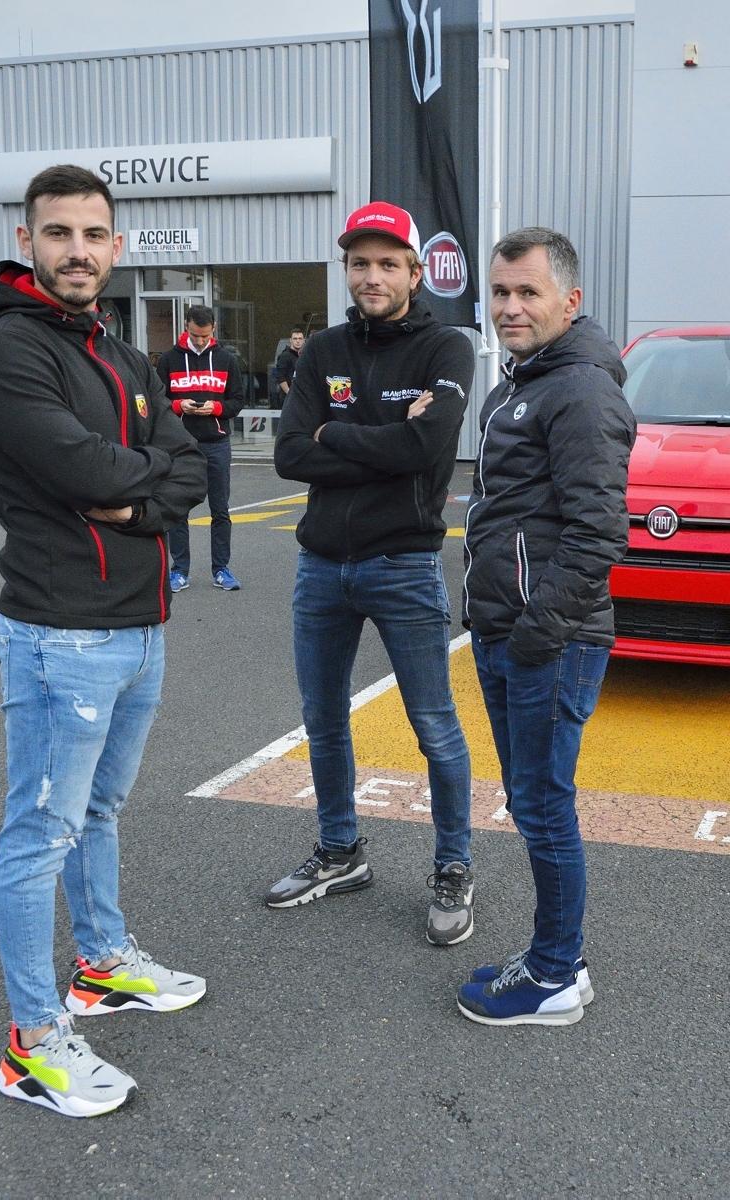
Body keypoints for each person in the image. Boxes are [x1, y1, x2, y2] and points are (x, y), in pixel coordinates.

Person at [0, 164, 209, 1117]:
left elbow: (188, 464)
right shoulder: (11, 352)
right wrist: (139, 482)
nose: (78, 250)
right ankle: (32, 1043)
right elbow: (81, 470)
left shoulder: (118, 350)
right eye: (59, 232)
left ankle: (101, 965)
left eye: (94, 234)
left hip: (139, 628)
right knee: (40, 833)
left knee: (97, 811)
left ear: (117, 245)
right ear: (27, 241)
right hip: (59, 636)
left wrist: (134, 501)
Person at [268, 201, 475, 945]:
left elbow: (428, 450)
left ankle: (453, 866)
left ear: (416, 273)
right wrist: (385, 437)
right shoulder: (323, 349)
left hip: (404, 565)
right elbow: (289, 454)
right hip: (322, 566)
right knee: (322, 719)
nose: (372, 276)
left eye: (389, 263)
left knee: (434, 727)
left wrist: (334, 432)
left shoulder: (447, 348)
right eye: (360, 263)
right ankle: (340, 852)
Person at [456, 227, 635, 1027]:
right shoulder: (521, 385)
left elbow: (599, 534)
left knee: (543, 804)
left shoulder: (581, 390)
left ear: (570, 301)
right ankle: (558, 959)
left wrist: (536, 634)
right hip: (511, 631)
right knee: (532, 801)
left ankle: (556, 975)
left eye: (528, 292)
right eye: (500, 292)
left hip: (547, 641)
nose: (510, 307)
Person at [157, 305, 244, 591]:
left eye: (205, 336)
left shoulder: (226, 359)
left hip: (216, 443)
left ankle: (221, 569)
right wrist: (177, 405)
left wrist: (216, 408)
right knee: (178, 510)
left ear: (213, 329)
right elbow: (157, 400)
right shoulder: (169, 360)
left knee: (220, 510)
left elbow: (237, 400)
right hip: (180, 445)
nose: (200, 340)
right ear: (186, 327)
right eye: (195, 335)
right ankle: (179, 571)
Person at [273, 326, 305, 404]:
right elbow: (281, 377)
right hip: (289, 399)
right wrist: (290, 394)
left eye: (300, 338)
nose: (298, 341)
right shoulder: (285, 356)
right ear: (290, 340)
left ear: (304, 340)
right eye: (295, 338)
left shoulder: (304, 356)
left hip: (301, 397)